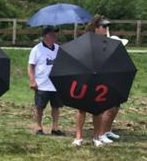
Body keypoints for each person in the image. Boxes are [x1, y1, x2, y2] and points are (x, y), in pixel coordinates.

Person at [73, 15, 118, 147]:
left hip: (99, 78)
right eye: (104, 26)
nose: (106, 29)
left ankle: (97, 137)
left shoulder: (106, 42)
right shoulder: (86, 41)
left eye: (107, 27)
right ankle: (78, 136)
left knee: (97, 109)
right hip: (85, 76)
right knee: (82, 109)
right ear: (96, 28)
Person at [28, 25, 64, 136]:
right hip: (42, 84)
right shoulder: (37, 49)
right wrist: (32, 80)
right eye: (52, 33)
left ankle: (55, 127)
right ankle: (39, 127)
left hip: (55, 84)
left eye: (55, 33)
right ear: (45, 36)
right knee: (40, 107)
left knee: (56, 106)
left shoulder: (58, 49)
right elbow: (31, 66)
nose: (54, 35)